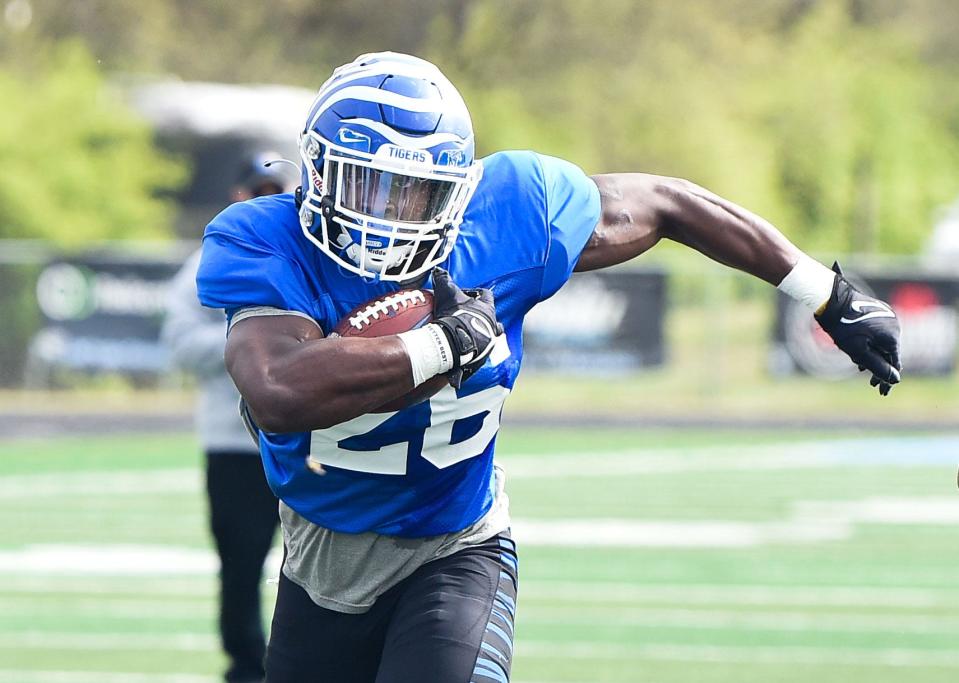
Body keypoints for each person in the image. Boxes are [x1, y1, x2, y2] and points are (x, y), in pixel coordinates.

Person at [195, 53, 902, 683]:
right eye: (368, 185)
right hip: (320, 561)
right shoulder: (265, 240)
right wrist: (444, 345)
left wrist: (825, 292)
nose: (389, 215)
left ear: (457, 189)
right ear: (316, 171)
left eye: (414, 191)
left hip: (454, 546)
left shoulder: (511, 212)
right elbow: (278, 388)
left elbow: (668, 203)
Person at [162, 153, 293, 683]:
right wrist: (253, 351)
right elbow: (178, 343)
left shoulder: (307, 254)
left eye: (276, 189)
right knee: (241, 560)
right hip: (232, 440)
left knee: (314, 560)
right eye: (259, 189)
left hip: (301, 436)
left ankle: (299, 661)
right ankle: (243, 664)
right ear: (238, 194)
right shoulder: (206, 261)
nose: (267, 198)